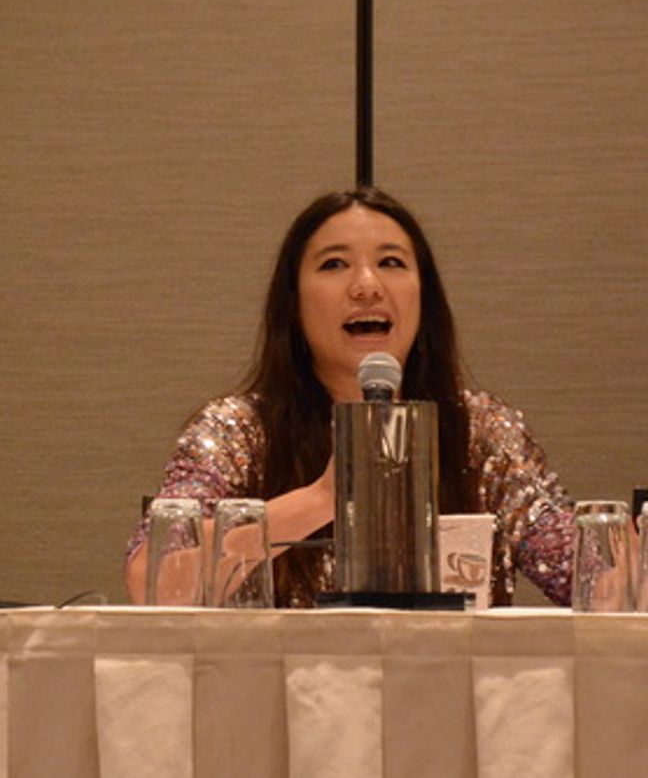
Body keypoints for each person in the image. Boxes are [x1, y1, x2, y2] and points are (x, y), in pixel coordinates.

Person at [125, 187, 575, 607]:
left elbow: (587, 576)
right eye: (334, 264)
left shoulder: (478, 430)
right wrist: (323, 496)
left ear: (424, 296)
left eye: (391, 262)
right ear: (294, 303)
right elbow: (154, 582)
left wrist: (614, 565)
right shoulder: (238, 430)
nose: (367, 286)